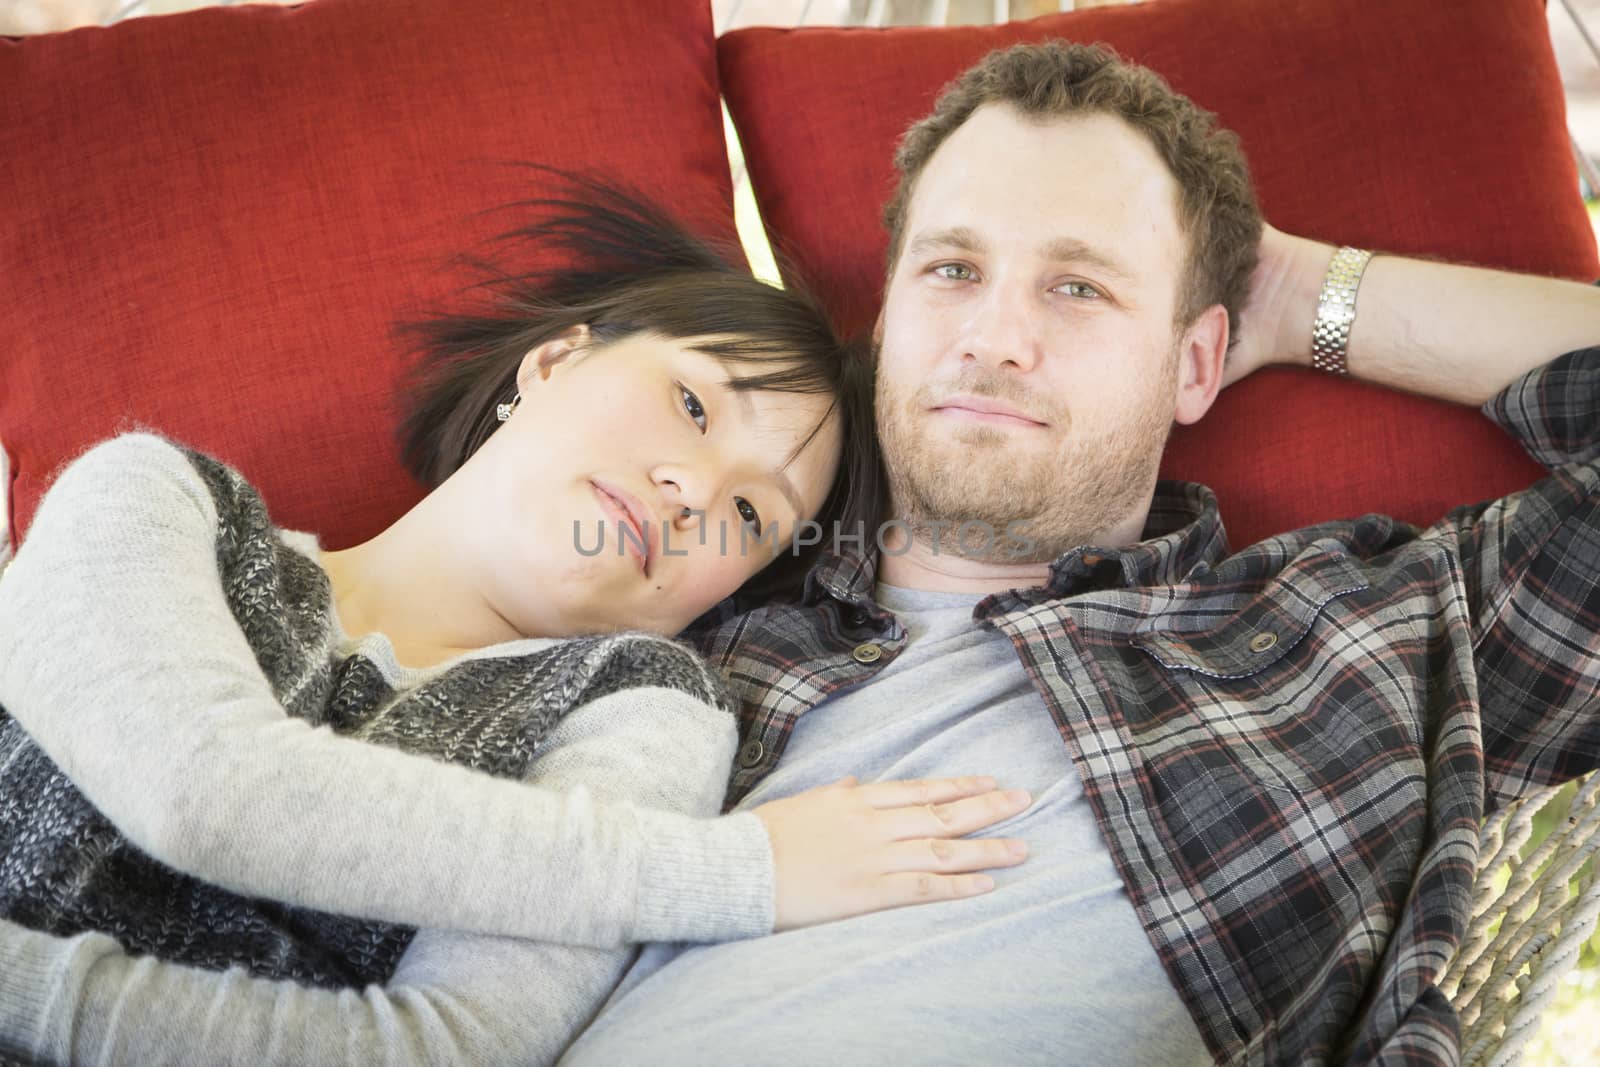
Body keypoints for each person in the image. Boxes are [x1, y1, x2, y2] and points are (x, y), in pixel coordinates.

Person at [547, 43, 1600, 1067]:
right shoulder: (692, 580)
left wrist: (1290, 295)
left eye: (1078, 287)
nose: (993, 337)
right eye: (952, 269)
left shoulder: (1345, 642)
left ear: (1197, 361)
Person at [0, 183, 1032, 1064]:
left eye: (753, 515)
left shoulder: (647, 710)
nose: (692, 488)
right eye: (692, 404)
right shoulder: (155, 499)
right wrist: (738, 873)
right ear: (553, 363)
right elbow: (203, 787)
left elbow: (450, 1046)